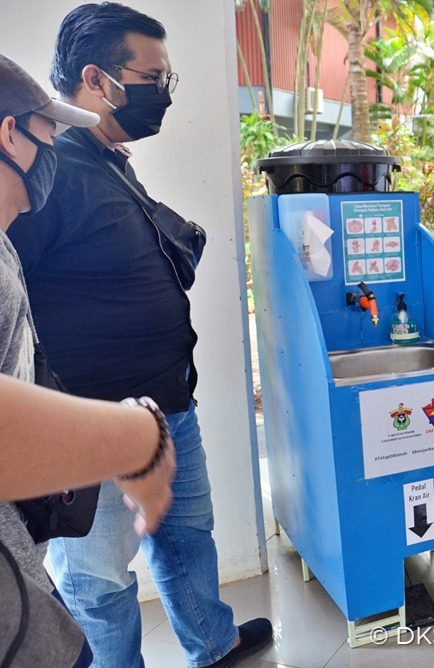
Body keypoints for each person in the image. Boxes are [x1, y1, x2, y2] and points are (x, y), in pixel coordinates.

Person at [7, 4, 271, 667]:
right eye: (154, 76)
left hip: (167, 406)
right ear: (96, 78)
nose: (165, 92)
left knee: (187, 537)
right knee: (99, 581)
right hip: (94, 428)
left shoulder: (104, 157)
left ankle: (212, 644)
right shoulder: (51, 169)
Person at [0, 51, 176, 667]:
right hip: (14, 624)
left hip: (19, 582)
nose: (54, 151)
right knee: (100, 585)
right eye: (48, 134)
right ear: (9, 135)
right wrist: (136, 436)